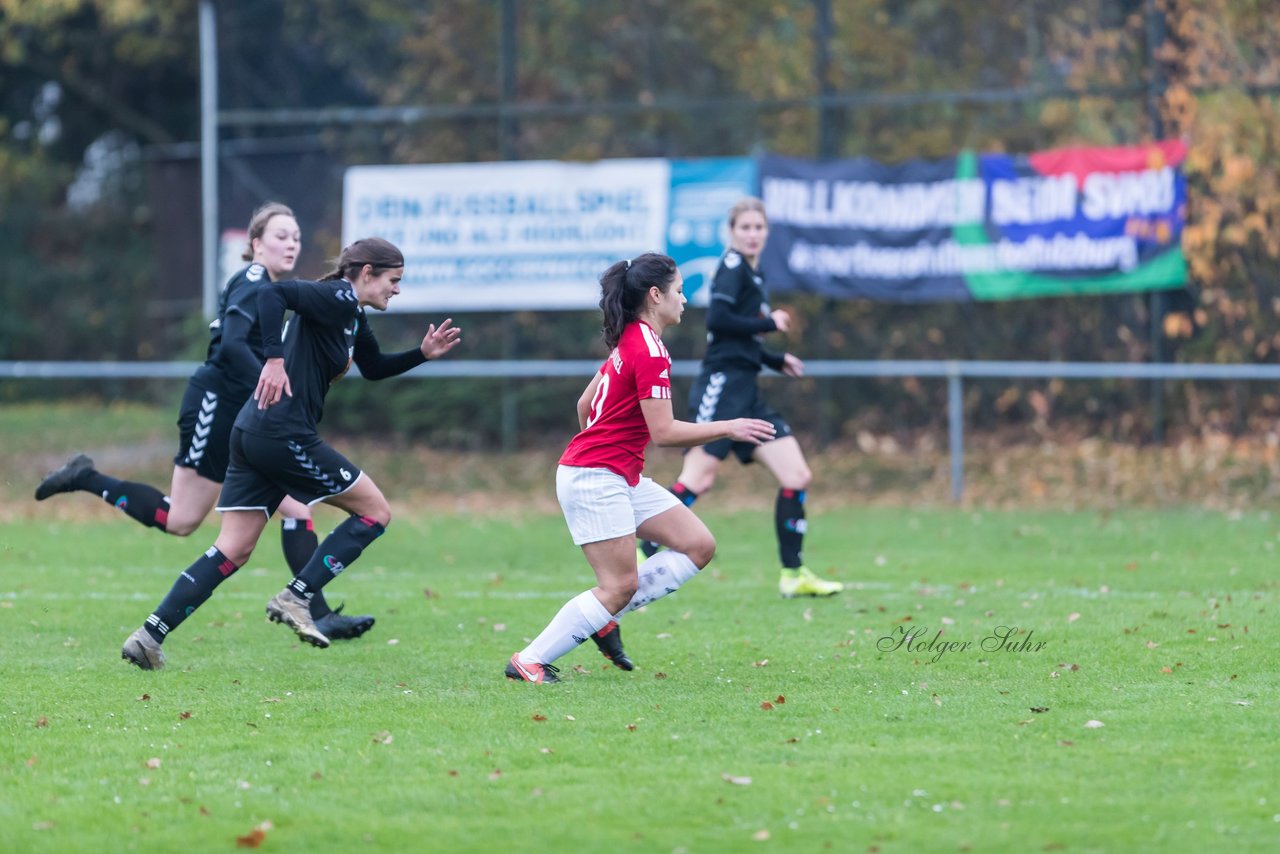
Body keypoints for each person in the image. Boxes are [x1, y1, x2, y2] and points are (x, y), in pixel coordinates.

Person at [35, 203, 375, 640]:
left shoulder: (272, 287)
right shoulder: (254, 281)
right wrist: (275, 383)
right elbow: (232, 345)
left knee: (275, 509)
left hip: (246, 412)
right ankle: (87, 477)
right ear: (256, 245)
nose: (291, 243)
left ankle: (312, 608)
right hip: (217, 404)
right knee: (189, 519)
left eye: (296, 237)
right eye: (280, 236)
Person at [120, 237, 462, 669]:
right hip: (282, 434)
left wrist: (422, 354)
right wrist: (273, 360)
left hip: (254, 432)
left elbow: (373, 368)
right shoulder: (338, 295)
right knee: (375, 512)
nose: (397, 289)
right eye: (393, 280)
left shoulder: (350, 314)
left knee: (233, 548)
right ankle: (296, 598)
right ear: (367, 273)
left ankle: (149, 637)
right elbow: (271, 293)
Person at [505, 252, 776, 684]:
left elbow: (584, 405)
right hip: (596, 478)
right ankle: (530, 660)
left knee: (698, 545)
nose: (685, 300)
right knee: (617, 586)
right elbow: (665, 432)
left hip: (614, 474)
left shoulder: (632, 338)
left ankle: (603, 616)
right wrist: (729, 426)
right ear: (656, 295)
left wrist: (608, 448)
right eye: (680, 291)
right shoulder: (648, 350)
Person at [639, 197, 844, 599]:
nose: (752, 234)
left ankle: (793, 574)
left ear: (766, 232)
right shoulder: (732, 268)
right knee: (699, 478)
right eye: (744, 227)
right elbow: (718, 320)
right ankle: (644, 544)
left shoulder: (754, 272)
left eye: (758, 227)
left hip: (747, 391)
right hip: (723, 387)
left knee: (796, 476)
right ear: (732, 232)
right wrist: (769, 323)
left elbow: (741, 338)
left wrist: (773, 357)